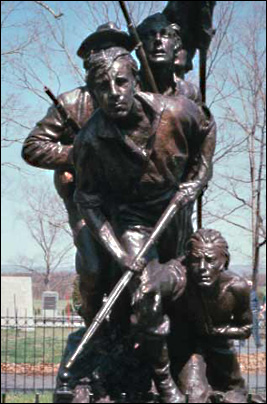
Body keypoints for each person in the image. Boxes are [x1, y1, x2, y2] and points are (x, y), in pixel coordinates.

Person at [73, 45, 215, 403]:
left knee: (186, 288)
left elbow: (207, 129)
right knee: (147, 290)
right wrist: (121, 254)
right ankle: (164, 383)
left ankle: (191, 358)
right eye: (102, 87)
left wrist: (199, 177)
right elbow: (86, 201)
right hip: (133, 220)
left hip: (176, 211)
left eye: (121, 82)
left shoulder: (177, 111)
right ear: (92, 92)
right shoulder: (89, 141)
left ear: (135, 79)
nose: (114, 94)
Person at [21, 22, 134, 326]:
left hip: (127, 200)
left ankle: (126, 332)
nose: (110, 55)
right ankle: (91, 321)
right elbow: (33, 147)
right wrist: (78, 154)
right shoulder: (72, 102)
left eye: (118, 49)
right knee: (94, 267)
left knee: (131, 267)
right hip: (84, 197)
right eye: (103, 49)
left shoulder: (134, 99)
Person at [169, 229, 253, 403]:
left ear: (224, 261)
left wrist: (217, 331)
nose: (202, 268)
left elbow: (246, 328)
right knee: (194, 397)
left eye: (210, 260)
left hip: (220, 345)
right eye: (195, 260)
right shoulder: (180, 283)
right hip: (189, 348)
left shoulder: (237, 287)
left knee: (235, 397)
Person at [137, 12, 201, 102]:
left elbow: (202, 115)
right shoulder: (128, 88)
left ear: (176, 43)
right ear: (140, 45)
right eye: (149, 35)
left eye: (165, 34)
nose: (158, 40)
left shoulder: (190, 93)